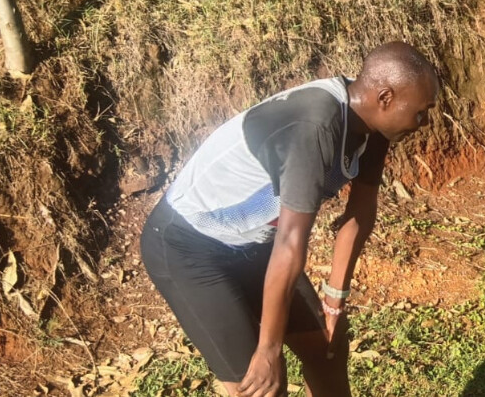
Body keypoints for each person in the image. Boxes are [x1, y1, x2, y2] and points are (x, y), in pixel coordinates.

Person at [140, 42, 439, 396]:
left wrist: (334, 301)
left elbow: (360, 211)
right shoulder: (315, 129)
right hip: (187, 246)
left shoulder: (371, 124)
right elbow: (291, 242)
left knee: (326, 348)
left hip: (253, 242)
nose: (424, 122)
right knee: (264, 386)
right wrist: (268, 349)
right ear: (385, 98)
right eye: (421, 112)